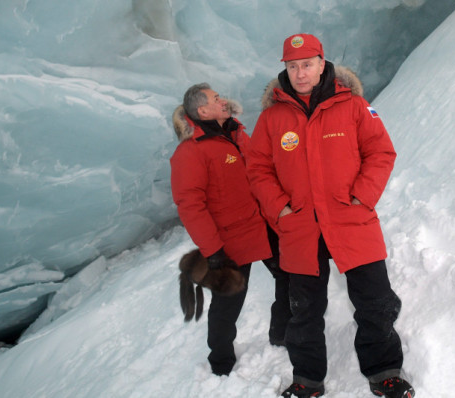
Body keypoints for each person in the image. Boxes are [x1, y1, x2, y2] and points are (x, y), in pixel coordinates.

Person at [246, 34, 414, 398]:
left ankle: (384, 372)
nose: (300, 73)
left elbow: (381, 152)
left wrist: (362, 196)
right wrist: (280, 208)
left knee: (375, 302)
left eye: (307, 64)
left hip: (351, 221)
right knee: (303, 312)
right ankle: (307, 380)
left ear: (322, 64)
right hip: (300, 227)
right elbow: (257, 168)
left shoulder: (354, 106)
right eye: (293, 66)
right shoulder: (272, 118)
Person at [170, 83, 291, 376]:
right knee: (228, 301)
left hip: (264, 225)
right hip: (231, 240)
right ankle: (221, 363)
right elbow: (190, 206)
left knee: (289, 278)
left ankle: (282, 333)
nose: (223, 100)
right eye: (216, 99)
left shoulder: (236, 134)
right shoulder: (190, 152)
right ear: (203, 111)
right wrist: (212, 250)